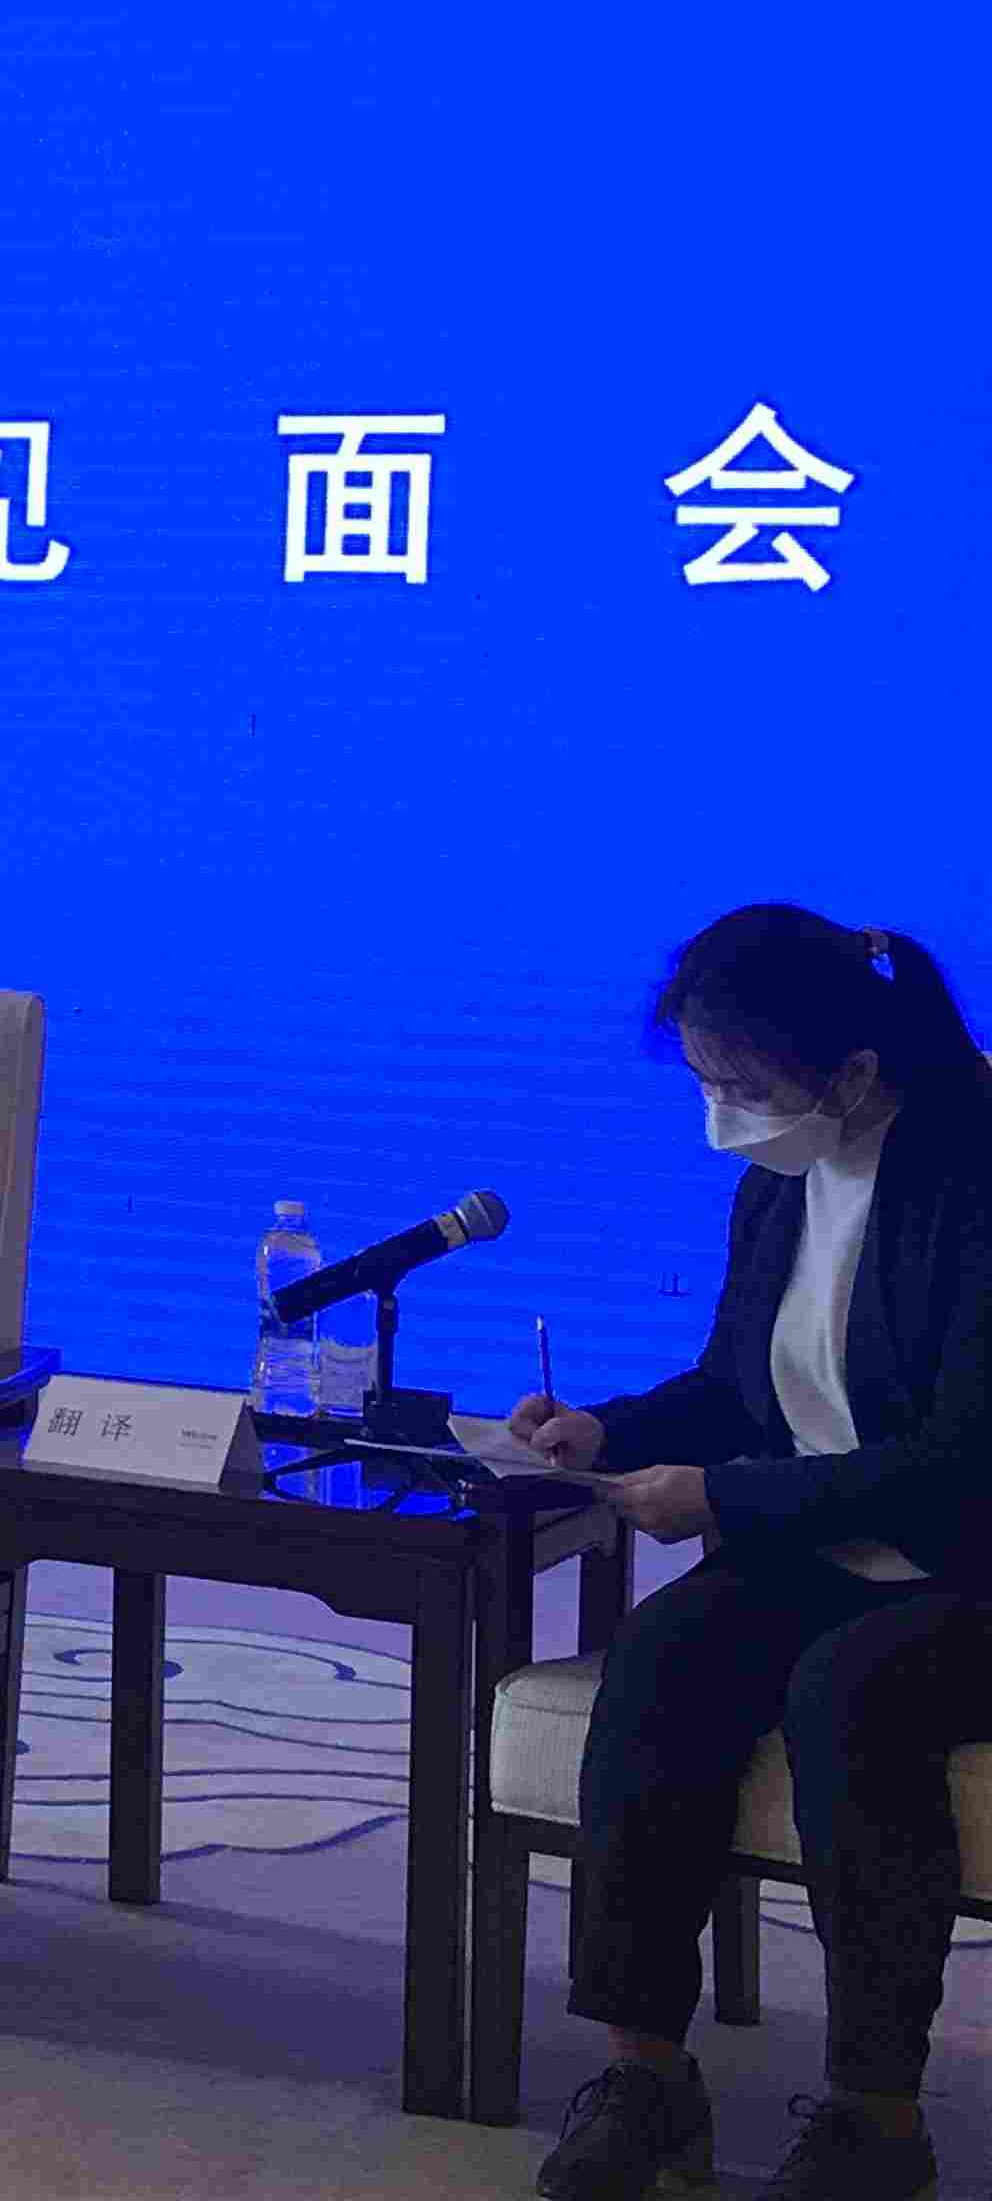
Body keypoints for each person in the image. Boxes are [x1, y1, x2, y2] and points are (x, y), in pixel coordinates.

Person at [514, 905, 992, 2201]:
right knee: (662, 1655)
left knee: (854, 1691)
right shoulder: (783, 1181)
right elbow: (738, 1386)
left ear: (852, 1072)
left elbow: (963, 1458)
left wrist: (725, 1497)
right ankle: (645, 2074)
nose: (722, 1117)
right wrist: (607, 1428)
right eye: (708, 1083)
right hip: (832, 1544)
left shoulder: (973, 1181)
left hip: (970, 1563)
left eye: (742, 1088)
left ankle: (875, 2117)